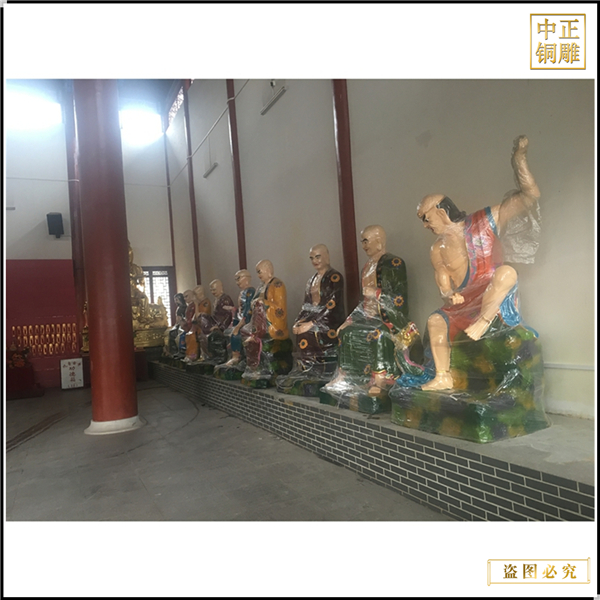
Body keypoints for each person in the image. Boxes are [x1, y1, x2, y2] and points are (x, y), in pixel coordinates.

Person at [417, 135, 540, 391]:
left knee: (507, 272)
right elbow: (443, 287)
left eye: (426, 218)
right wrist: (449, 296)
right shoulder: (436, 249)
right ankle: (443, 376)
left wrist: (519, 161)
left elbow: (530, 195)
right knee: (435, 320)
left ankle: (484, 322)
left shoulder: (485, 220)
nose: (425, 226)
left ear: (441, 212)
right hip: (465, 302)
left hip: (493, 293)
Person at [323, 225, 414, 400]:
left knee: (378, 334)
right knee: (346, 332)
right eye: (362, 241)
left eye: (366, 241)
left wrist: (376, 293)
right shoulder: (367, 267)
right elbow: (363, 302)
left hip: (389, 318)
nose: (363, 246)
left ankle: (380, 380)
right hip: (368, 317)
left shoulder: (394, 263)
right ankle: (348, 376)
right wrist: (350, 319)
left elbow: (399, 298)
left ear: (379, 241)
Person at [241, 259, 290, 378]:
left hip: (272, 323)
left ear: (268, 270)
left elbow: (280, 309)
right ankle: (254, 367)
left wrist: (263, 302)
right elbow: (253, 304)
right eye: (257, 272)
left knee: (258, 338)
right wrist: (255, 303)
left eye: (259, 272)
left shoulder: (277, 284)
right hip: (259, 322)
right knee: (245, 331)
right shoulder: (261, 286)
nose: (258, 275)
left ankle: (263, 368)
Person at [222, 269, 255, 367]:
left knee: (235, 333)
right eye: (235, 279)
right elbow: (240, 310)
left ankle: (236, 356)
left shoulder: (250, 292)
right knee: (228, 331)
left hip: (249, 321)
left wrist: (239, 325)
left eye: (238, 278)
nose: (237, 282)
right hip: (240, 319)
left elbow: (248, 311)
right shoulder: (242, 292)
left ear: (246, 279)